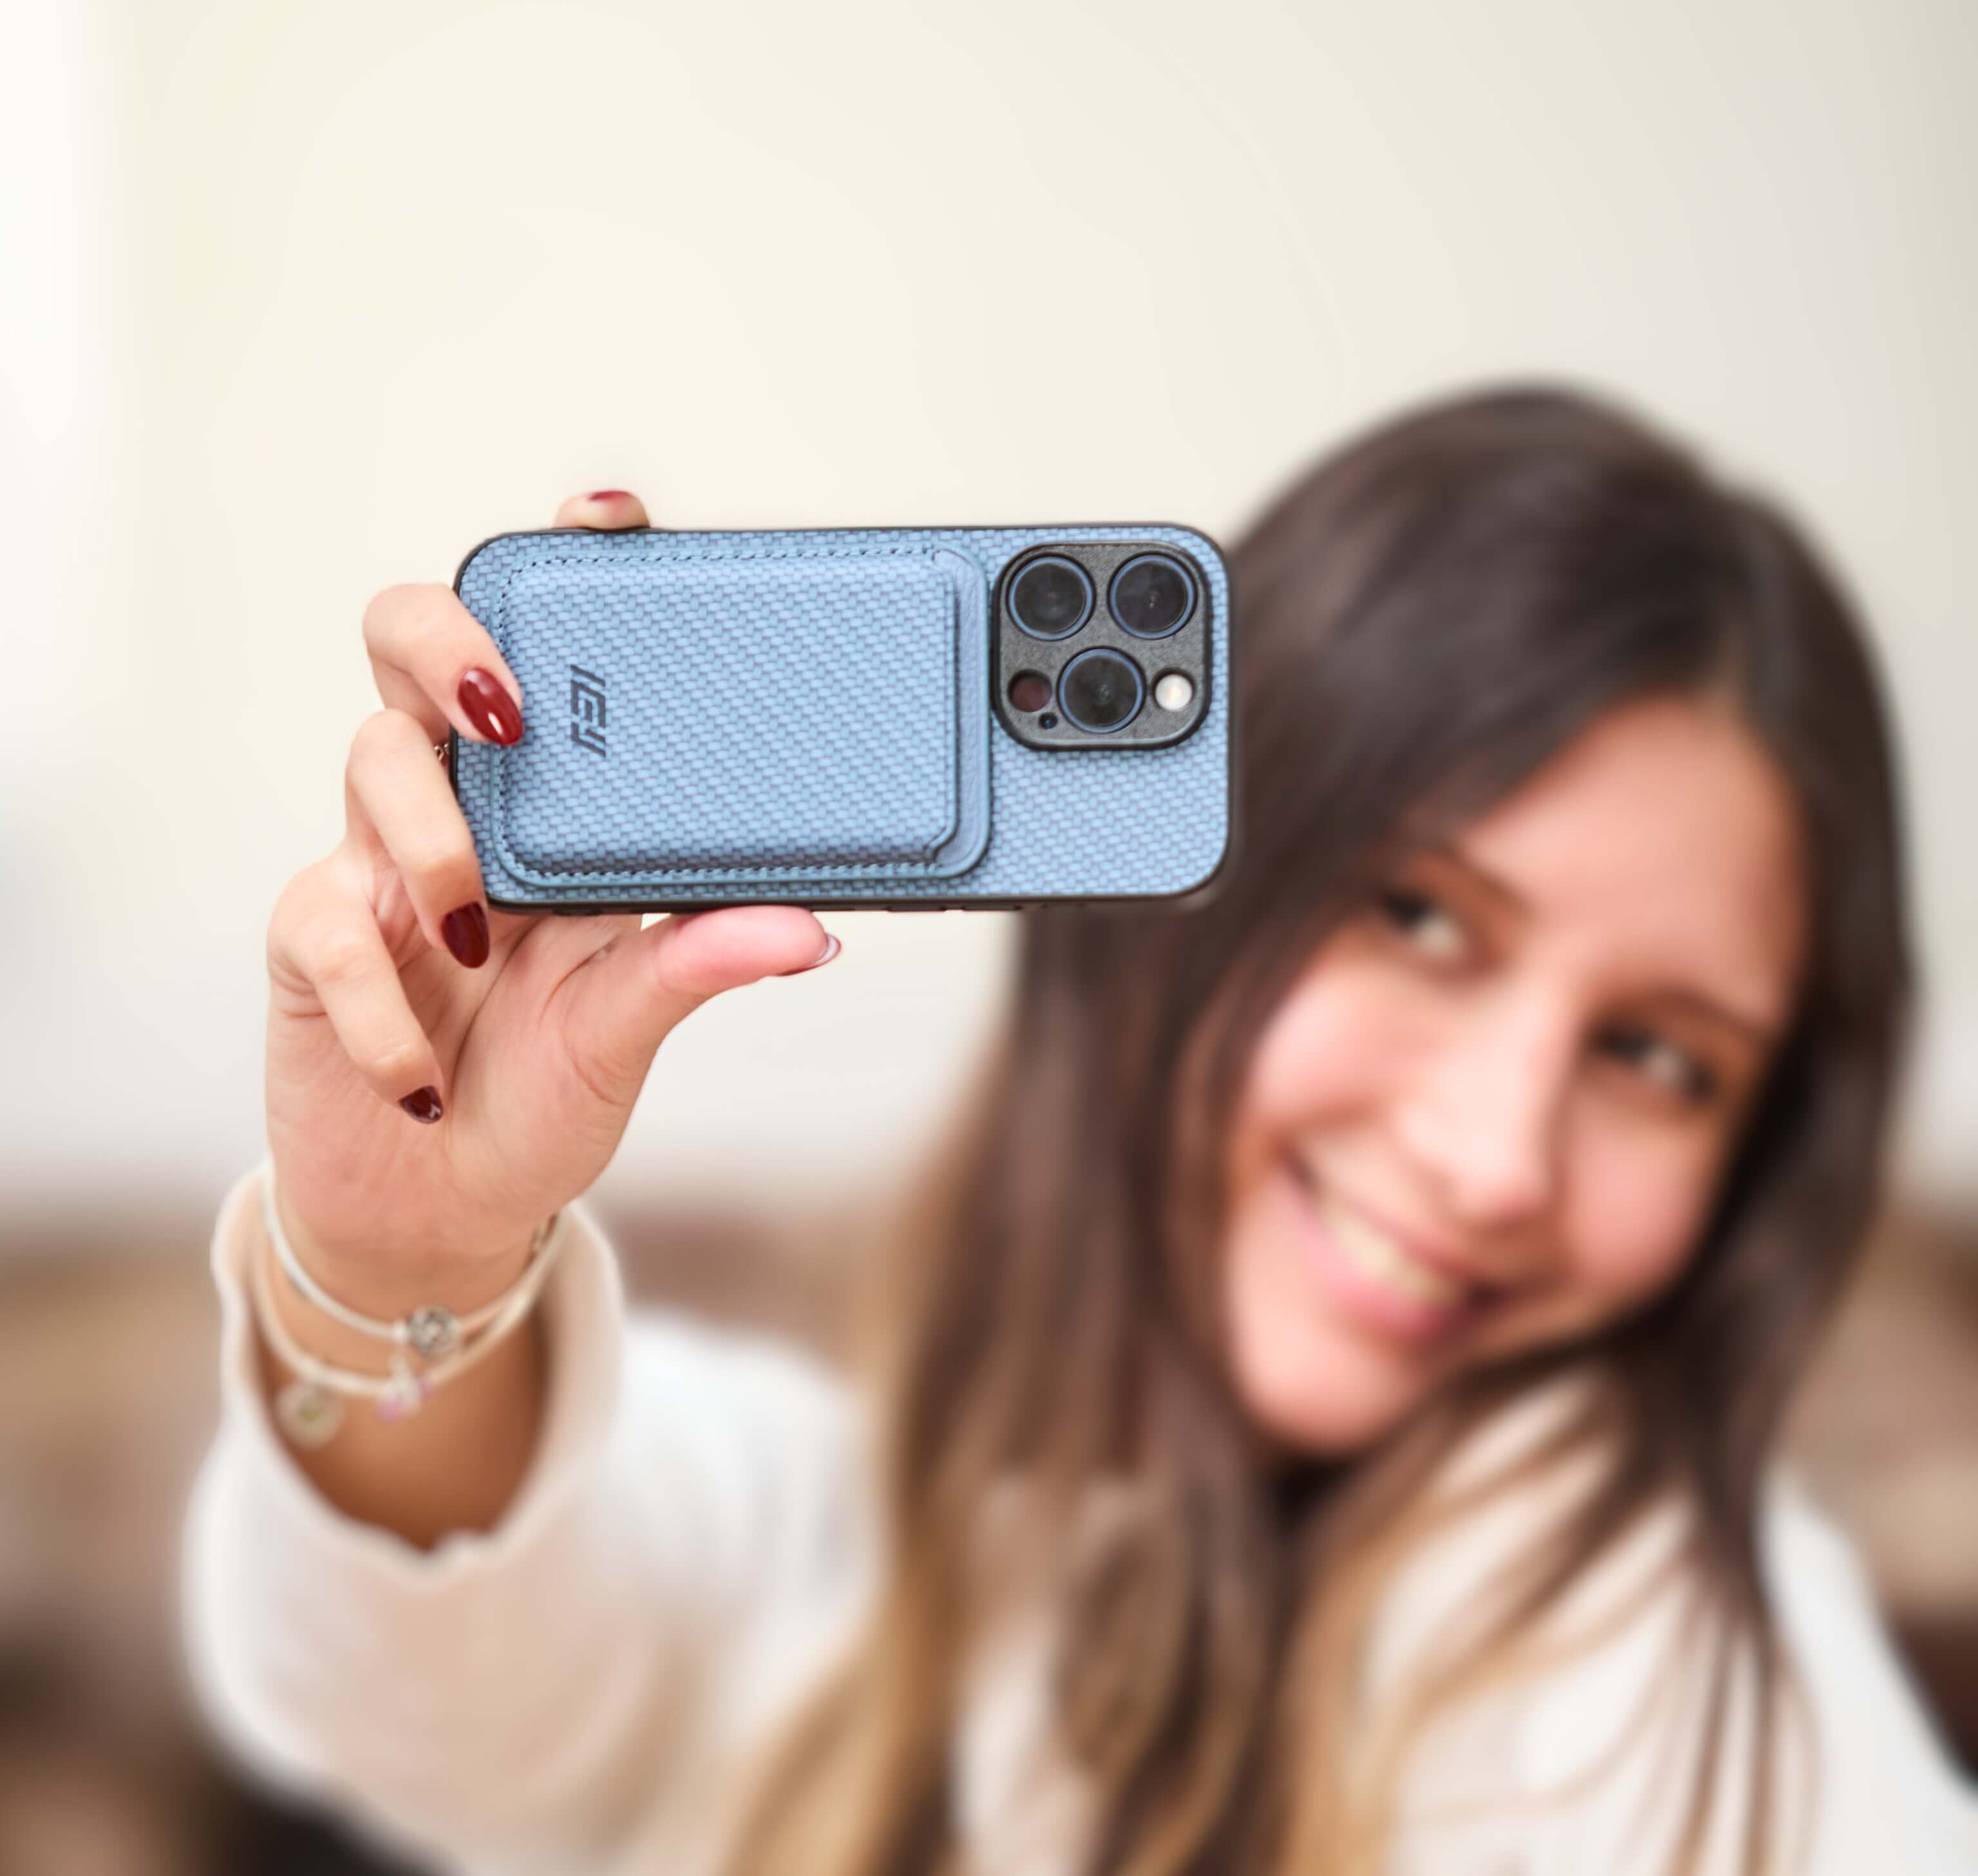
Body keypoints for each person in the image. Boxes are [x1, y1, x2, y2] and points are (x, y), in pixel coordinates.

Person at [178, 384, 1978, 1875]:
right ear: (1169, 888)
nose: (1497, 1157)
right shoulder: (793, 1537)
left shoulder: (1730, 1704)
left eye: (1658, 1057)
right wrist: (394, 1268)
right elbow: (401, 1680)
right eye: (1421, 918)